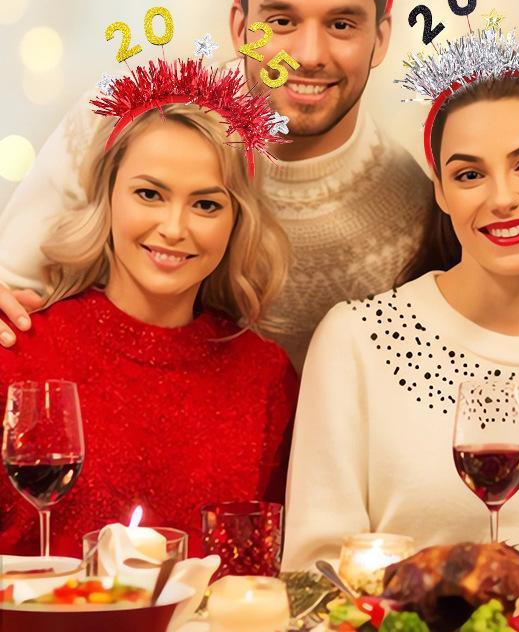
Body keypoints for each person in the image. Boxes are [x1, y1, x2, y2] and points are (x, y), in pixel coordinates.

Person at [0, 0, 433, 371]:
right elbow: (13, 286)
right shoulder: (128, 119)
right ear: (239, 27)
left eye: (341, 25)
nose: (309, 56)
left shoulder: (413, 206)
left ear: (379, 39)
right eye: (282, 22)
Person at [283, 30, 519, 566]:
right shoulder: (357, 340)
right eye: (470, 174)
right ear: (441, 190)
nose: (502, 198)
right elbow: (314, 568)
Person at [0, 82, 299, 556]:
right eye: (149, 194)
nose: (174, 228)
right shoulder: (20, 353)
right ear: (108, 195)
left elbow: (266, 574)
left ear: (237, 221)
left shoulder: (265, 376)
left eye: (206, 204)